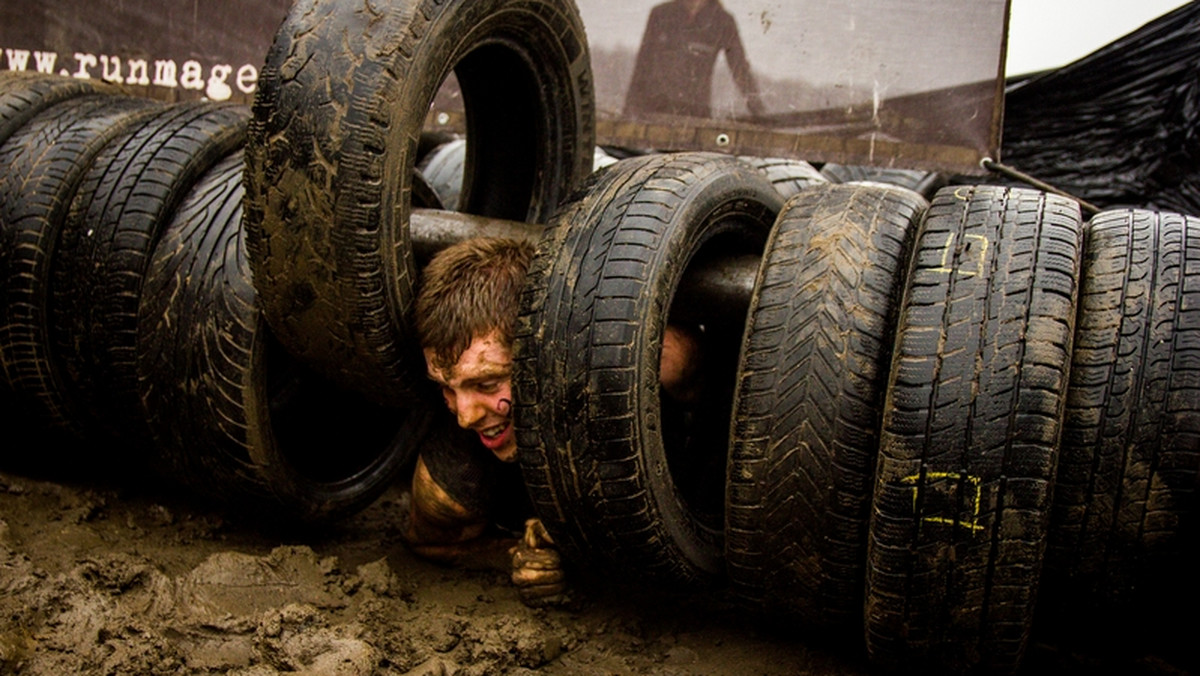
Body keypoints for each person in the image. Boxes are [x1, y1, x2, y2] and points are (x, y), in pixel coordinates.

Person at [401, 237, 703, 608]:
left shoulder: (659, 363)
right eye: (448, 388)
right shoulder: (455, 471)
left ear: (541, 344)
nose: (466, 415)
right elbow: (429, 541)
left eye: (486, 383)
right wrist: (514, 555)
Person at [624, 0, 765, 120]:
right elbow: (643, 65)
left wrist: (759, 112)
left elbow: (740, 68)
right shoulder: (661, 14)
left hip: (695, 116)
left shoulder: (722, 21)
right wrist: (628, 111)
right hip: (654, 112)